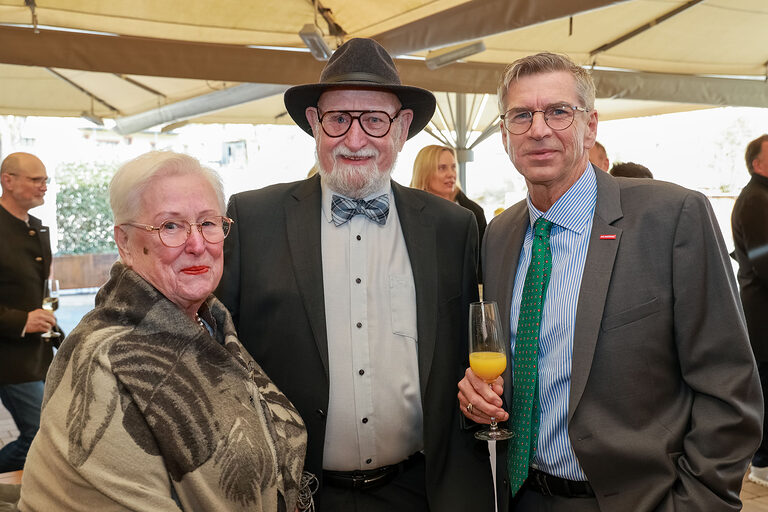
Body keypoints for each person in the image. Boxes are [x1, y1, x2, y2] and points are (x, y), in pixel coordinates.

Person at [457, 52, 762, 511]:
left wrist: (696, 502)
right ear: (504, 134)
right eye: (521, 115)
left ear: (591, 125)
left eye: (558, 111)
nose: (538, 129)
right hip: (518, 494)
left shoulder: (671, 217)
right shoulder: (499, 234)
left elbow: (730, 386)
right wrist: (477, 399)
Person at [216, 38, 493, 511]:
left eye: (375, 120)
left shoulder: (452, 228)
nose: (355, 138)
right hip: (295, 493)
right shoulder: (253, 218)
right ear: (314, 124)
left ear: (401, 128)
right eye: (339, 119)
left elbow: (472, 350)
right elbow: (217, 352)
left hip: (421, 491)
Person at [18, 151, 308, 512]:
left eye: (207, 223)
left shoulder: (211, 324)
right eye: (170, 226)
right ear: (124, 242)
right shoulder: (107, 361)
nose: (197, 244)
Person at [0, 152, 56, 473]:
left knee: (50, 430)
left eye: (45, 180)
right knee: (37, 435)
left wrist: (46, 317)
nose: (43, 186)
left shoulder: (35, 227)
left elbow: (40, 289)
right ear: (7, 181)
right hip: (9, 358)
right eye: (36, 179)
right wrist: (23, 320)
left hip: (39, 352)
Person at [732, 134, 768, 487]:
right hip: (762, 313)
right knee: (765, 386)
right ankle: (761, 463)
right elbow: (762, 260)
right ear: (757, 164)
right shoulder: (756, 199)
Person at [410, 144, 487, 281]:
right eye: (442, 168)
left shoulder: (474, 213)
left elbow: (483, 265)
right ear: (424, 172)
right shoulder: (409, 214)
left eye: (453, 167)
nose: (451, 174)